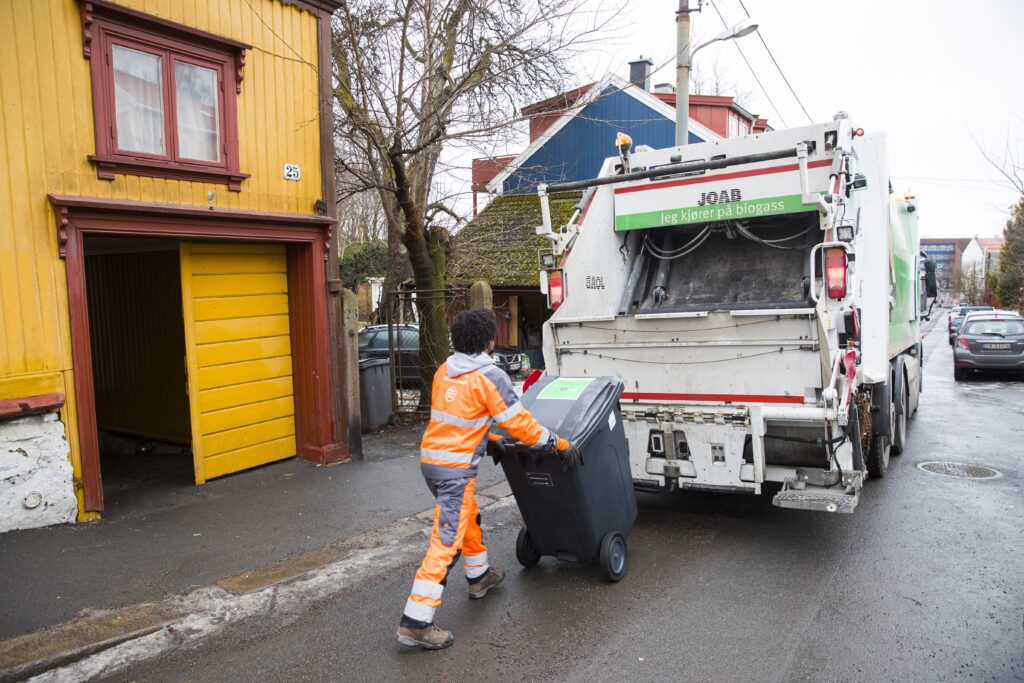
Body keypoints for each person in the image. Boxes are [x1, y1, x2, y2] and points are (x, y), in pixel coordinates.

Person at [396, 309, 571, 650]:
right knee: (446, 540)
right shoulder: (490, 375)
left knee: (468, 517)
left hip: (433, 462)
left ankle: (479, 577)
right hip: (456, 470)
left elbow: (455, 420)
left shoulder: (444, 370)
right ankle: (416, 622)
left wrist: (489, 441)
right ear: (489, 340)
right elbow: (521, 425)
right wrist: (558, 444)